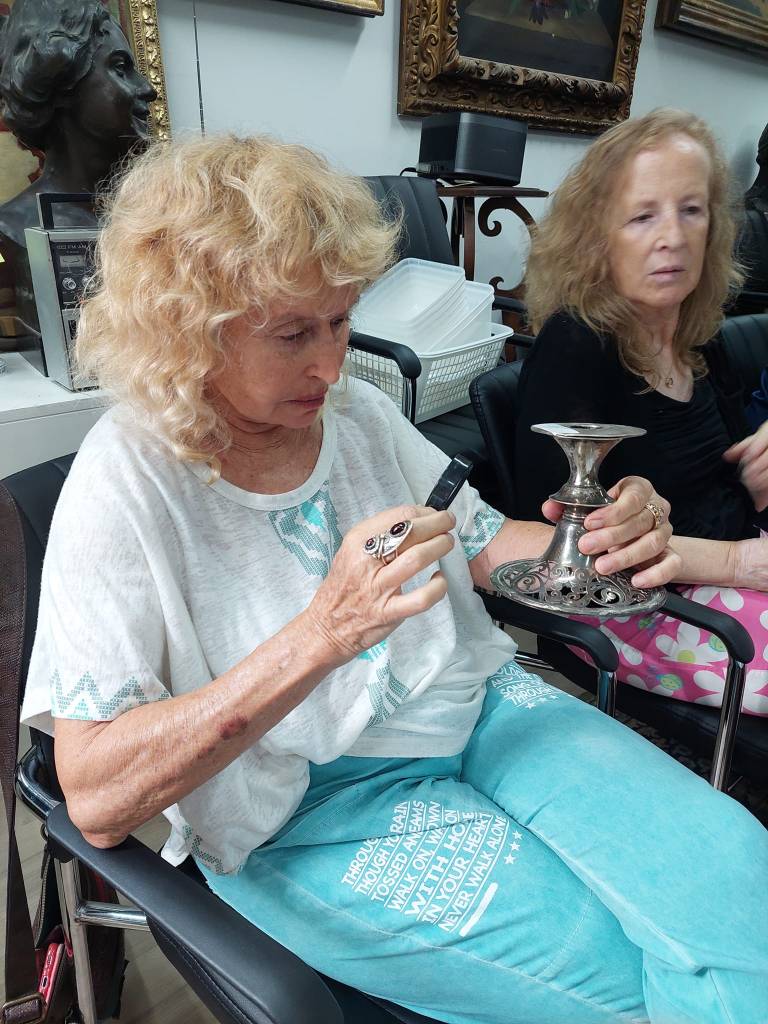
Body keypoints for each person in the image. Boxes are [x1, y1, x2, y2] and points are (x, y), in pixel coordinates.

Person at [20, 134, 768, 1024]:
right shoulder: (126, 483)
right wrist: (323, 633)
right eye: (294, 333)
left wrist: (604, 534)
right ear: (189, 328)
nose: (332, 364)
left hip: (479, 703)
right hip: (308, 806)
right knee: (623, 981)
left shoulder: (358, 412)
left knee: (739, 881)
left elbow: (489, 544)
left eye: (341, 321)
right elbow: (98, 798)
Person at [516, 108, 768, 716]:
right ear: (597, 237)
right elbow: (554, 546)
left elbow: (736, 484)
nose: (673, 237)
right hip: (633, 606)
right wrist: (738, 562)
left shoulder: (698, 337)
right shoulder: (575, 345)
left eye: (692, 210)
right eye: (642, 216)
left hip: (730, 573)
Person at [0, 0, 156, 331]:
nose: (147, 89)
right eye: (120, 68)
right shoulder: (11, 228)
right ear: (60, 84)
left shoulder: (157, 220)